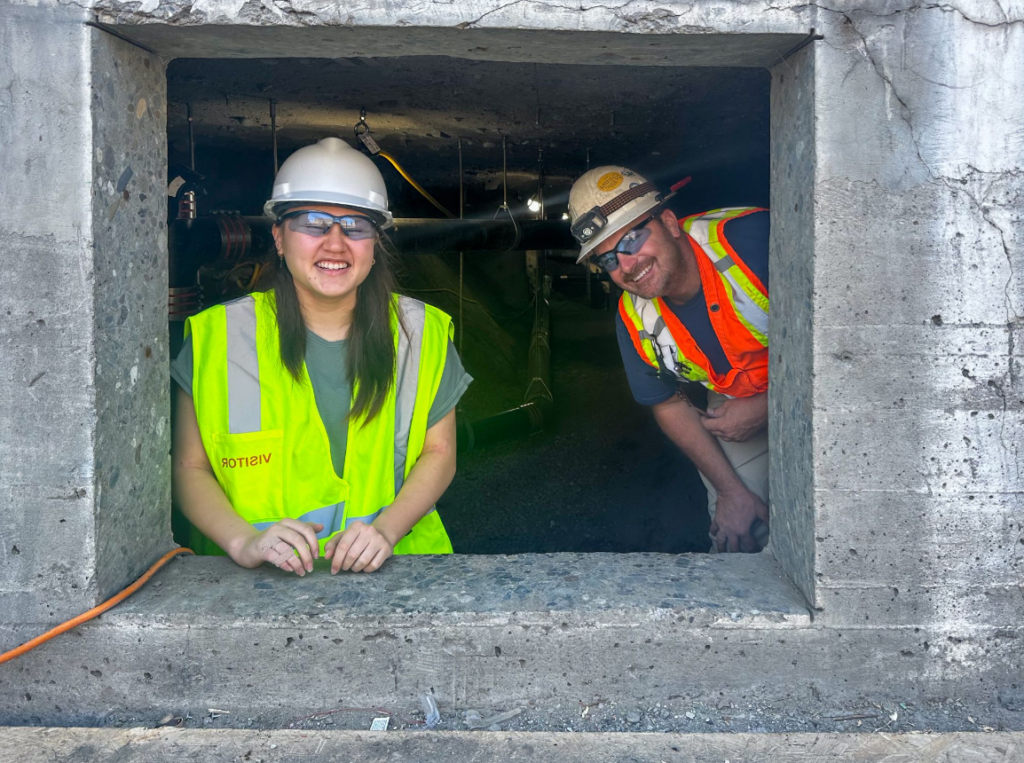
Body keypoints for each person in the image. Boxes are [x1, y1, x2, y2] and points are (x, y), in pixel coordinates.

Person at [171, 137, 472, 575]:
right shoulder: (216, 337)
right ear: (278, 236)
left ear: (375, 244)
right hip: (253, 587)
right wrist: (244, 542)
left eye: (355, 226)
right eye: (313, 223)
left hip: (395, 576)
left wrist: (386, 531)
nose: (335, 244)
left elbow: (439, 452)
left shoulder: (421, 334)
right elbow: (188, 466)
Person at [568, 167, 769, 553]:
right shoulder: (633, 319)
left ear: (670, 222)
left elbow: (850, 342)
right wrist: (730, 493)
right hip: (732, 399)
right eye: (607, 259)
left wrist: (768, 407)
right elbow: (666, 404)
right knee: (744, 534)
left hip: (822, 386)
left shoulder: (751, 242)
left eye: (632, 239)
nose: (626, 265)